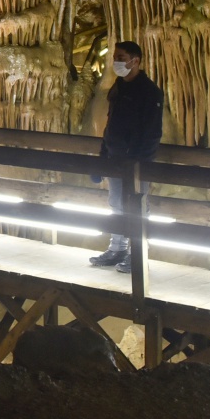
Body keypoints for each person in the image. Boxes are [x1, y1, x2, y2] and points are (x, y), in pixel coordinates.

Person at [84, 39, 163, 273]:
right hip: (115, 159)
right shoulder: (118, 87)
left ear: (135, 61)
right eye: (115, 57)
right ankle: (117, 247)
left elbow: (151, 133)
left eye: (120, 58)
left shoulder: (149, 92)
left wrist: (138, 163)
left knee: (137, 206)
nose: (116, 62)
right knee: (115, 204)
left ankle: (137, 253)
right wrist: (102, 158)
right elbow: (110, 126)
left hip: (135, 162)